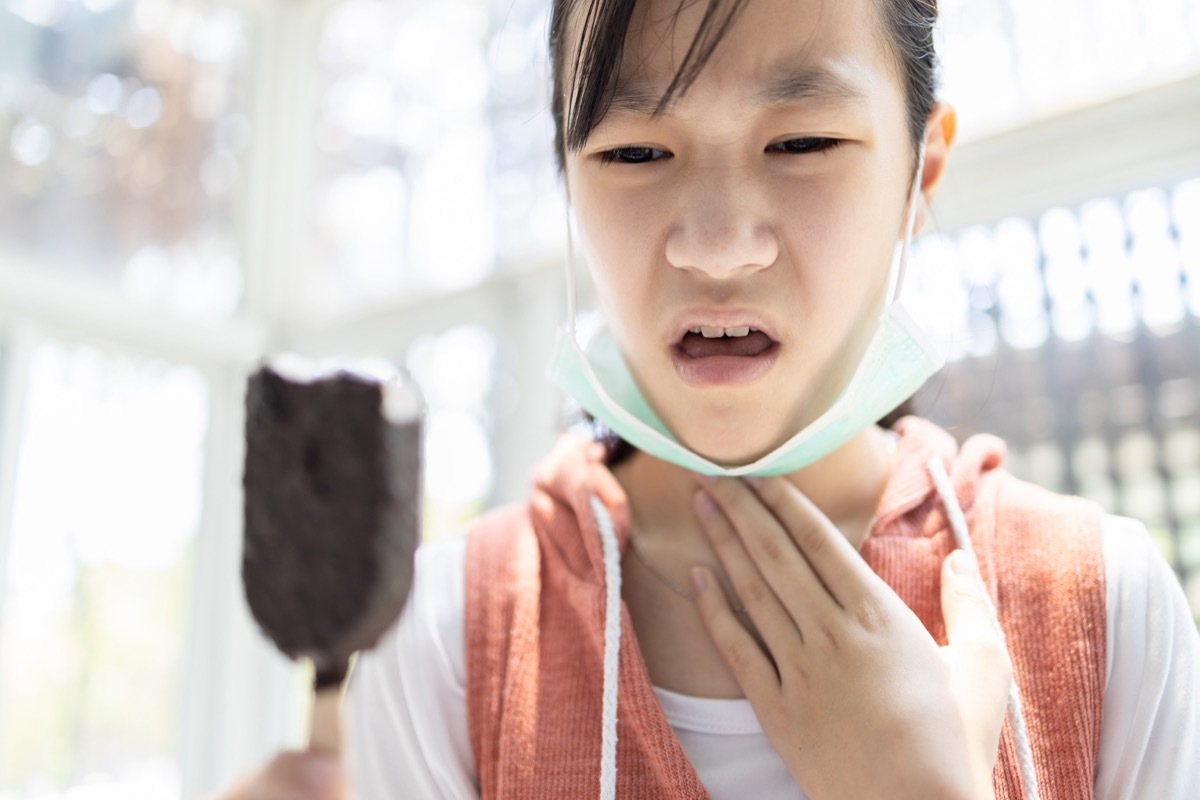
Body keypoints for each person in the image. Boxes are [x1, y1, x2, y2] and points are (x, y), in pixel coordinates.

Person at [220, 0, 1200, 797]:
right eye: (635, 154)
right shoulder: (446, 638)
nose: (719, 242)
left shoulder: (1105, 611)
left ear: (921, 172)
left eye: (804, 141)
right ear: (567, 178)